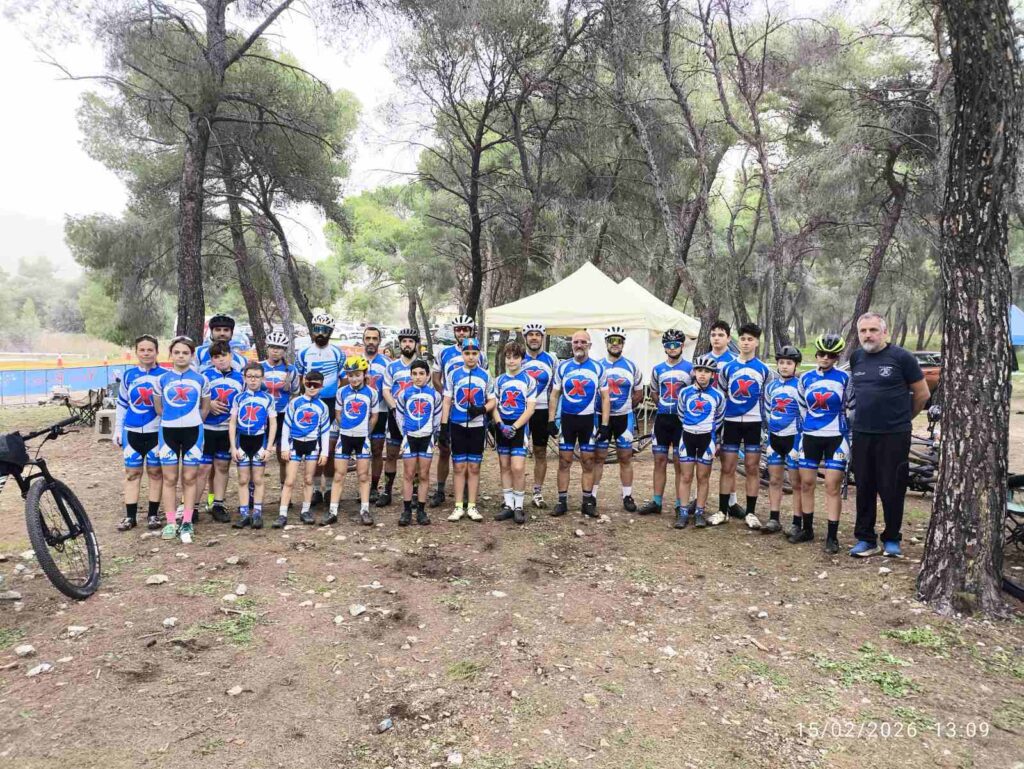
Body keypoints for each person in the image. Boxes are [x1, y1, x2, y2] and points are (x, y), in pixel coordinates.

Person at [848, 312, 929, 558]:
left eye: (873, 330)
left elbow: (922, 394)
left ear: (885, 332)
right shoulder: (856, 358)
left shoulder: (902, 357)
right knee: (864, 486)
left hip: (894, 435)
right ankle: (865, 539)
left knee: (892, 487)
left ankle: (892, 538)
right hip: (862, 433)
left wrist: (904, 419)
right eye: (863, 331)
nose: (868, 335)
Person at [795, 334, 851, 554]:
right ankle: (807, 529)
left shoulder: (845, 378)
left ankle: (832, 536)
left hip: (836, 436)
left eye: (831, 355)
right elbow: (801, 407)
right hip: (810, 436)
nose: (825, 358)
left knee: (831, 486)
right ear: (816, 355)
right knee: (807, 483)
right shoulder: (805, 378)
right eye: (821, 354)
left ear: (837, 357)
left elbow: (851, 407)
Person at [154, 336, 210, 544]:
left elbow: (205, 408)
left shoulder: (201, 379)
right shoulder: (161, 379)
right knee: (169, 479)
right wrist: (173, 420)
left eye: (185, 353)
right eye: (176, 352)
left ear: (192, 355)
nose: (180, 356)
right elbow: (158, 408)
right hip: (168, 431)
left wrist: (192, 420)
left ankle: (187, 521)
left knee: (189, 478)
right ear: (171, 354)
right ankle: (170, 522)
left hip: (193, 432)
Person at [548, 330, 610, 518]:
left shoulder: (598, 368)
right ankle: (561, 502)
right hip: (567, 421)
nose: (579, 345)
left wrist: (605, 424)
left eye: (583, 342)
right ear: (571, 344)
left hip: (588, 421)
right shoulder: (563, 367)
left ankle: (587, 502)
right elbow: (554, 395)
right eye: (576, 342)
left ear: (589, 345)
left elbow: (605, 398)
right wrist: (551, 420)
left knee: (588, 462)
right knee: (564, 461)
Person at [716, 323, 772, 529]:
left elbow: (768, 399)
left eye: (750, 339)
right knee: (727, 467)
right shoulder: (727, 368)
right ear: (737, 341)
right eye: (742, 339)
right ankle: (723, 511)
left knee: (752, 467)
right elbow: (721, 397)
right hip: (730, 422)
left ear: (757, 342)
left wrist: (767, 427)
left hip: (754, 423)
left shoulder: (765, 370)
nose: (746, 343)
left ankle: (750, 513)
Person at [440, 337, 496, 522]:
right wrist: (444, 426)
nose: (471, 357)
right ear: (462, 354)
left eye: (474, 353)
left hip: (477, 426)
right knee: (458, 466)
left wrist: (482, 410)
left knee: (474, 466)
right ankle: (458, 506)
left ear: (479, 354)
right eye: (467, 353)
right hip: (457, 425)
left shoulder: (485, 375)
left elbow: (492, 400)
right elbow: (447, 400)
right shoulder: (453, 374)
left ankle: (472, 505)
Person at [638, 329, 692, 517]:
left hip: (681, 421)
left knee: (679, 463)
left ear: (682, 346)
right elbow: (654, 391)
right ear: (664, 347)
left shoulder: (690, 369)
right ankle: (657, 501)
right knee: (659, 461)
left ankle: (679, 503)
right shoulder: (658, 369)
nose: (672, 348)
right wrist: (661, 404)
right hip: (662, 420)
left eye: (676, 344)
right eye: (668, 345)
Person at [114, 334, 164, 532]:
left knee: (155, 473)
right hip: (132, 432)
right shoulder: (128, 375)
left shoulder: (165, 375)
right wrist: (118, 430)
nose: (146, 353)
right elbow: (122, 404)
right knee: (132, 474)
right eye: (142, 350)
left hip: (156, 433)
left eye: (150, 350)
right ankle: (130, 517)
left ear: (157, 352)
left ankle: (153, 515)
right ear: (136, 352)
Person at [295, 313, 345, 506]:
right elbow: (300, 378)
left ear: (331, 332)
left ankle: (330, 489)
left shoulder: (338, 353)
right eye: (317, 329)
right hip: (311, 405)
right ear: (312, 330)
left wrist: (339, 401)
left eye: (325, 330)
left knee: (330, 449)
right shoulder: (303, 353)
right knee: (314, 450)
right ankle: (316, 490)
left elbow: (343, 379)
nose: (320, 333)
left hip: (331, 404)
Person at [592, 326, 643, 512]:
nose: (615, 344)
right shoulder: (598, 366)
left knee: (625, 457)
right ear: (606, 343)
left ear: (623, 343)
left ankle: (627, 496)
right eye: (612, 340)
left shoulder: (632, 366)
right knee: (599, 457)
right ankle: (592, 496)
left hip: (624, 417)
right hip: (600, 417)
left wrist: (626, 406)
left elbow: (639, 393)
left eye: (619, 341)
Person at [430, 315, 477, 508]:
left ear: (471, 331)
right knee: (444, 450)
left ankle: (465, 489)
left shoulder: (478, 353)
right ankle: (440, 490)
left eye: (465, 329)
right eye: (458, 329)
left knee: (466, 452)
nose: (462, 332)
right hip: (449, 408)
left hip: (470, 410)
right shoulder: (444, 353)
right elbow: (435, 378)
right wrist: (449, 396)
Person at [327, 355, 379, 527]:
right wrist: (345, 428)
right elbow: (338, 413)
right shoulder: (341, 392)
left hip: (363, 438)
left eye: (357, 375)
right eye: (350, 375)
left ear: (364, 374)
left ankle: (365, 510)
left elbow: (374, 416)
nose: (354, 378)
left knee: (363, 476)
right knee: (339, 475)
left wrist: (366, 432)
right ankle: (332, 511)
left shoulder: (372, 393)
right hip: (345, 438)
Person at [674, 355, 726, 529]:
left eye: (707, 371)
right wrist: (692, 426)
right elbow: (681, 414)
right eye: (699, 370)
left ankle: (699, 512)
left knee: (703, 477)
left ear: (713, 375)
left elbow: (719, 418)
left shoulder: (718, 396)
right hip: (688, 436)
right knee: (686, 476)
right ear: (694, 372)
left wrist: (711, 434)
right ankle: (683, 512)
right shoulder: (685, 392)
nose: (703, 374)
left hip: (706, 438)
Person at [276, 371, 331, 528]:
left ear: (321, 386)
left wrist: (324, 452)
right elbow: (286, 425)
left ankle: (305, 511)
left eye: (316, 385)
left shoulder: (323, 406)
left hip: (313, 445)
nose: (312, 388)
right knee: (289, 480)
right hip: (295, 444)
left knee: (309, 480)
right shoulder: (295, 403)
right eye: (309, 384)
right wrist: (284, 447)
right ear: (304, 383)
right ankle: (282, 513)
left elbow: (325, 431)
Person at [491, 341, 537, 524]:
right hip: (502, 425)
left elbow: (531, 408)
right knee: (504, 466)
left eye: (515, 357)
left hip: (519, 426)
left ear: (522, 359)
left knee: (517, 467)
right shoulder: (499, 380)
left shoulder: (529, 380)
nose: (511, 361)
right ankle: (508, 504)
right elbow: (494, 406)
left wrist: (515, 427)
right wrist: (501, 424)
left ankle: (519, 506)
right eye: (508, 357)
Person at [197, 342, 244, 524]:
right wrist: (208, 404)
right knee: (203, 468)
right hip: (207, 429)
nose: (221, 359)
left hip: (227, 430)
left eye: (224, 355)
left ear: (231, 355)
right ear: (211, 360)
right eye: (216, 357)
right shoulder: (204, 376)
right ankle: (193, 507)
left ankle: (218, 504)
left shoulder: (241, 378)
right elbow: (195, 398)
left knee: (222, 467)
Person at [228, 363, 277, 529]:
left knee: (257, 479)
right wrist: (233, 447)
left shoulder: (268, 398)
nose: (253, 380)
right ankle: (244, 514)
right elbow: (232, 423)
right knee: (243, 479)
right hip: (242, 441)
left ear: (262, 378)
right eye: (249, 376)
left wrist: (269, 448)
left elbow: (273, 424)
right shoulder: (238, 398)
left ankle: (257, 513)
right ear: (244, 378)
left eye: (256, 377)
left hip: (259, 441)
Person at [395, 359, 442, 526]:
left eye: (422, 373)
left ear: (428, 375)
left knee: (423, 475)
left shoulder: (435, 395)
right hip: (410, 438)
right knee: (408, 474)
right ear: (410, 375)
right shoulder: (404, 394)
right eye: (414, 374)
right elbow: (399, 416)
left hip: (427, 438)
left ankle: (421, 511)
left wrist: (434, 436)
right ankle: (407, 510)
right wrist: (405, 434)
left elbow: (437, 418)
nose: (418, 377)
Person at [763, 346, 804, 536]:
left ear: (796, 365)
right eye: (781, 363)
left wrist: (800, 441)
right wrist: (768, 436)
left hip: (794, 437)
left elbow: (804, 413)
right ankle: (774, 518)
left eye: (789, 363)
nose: (784, 366)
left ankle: (797, 521)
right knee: (774, 480)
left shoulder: (800, 386)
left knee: (796, 483)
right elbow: (767, 411)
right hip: (774, 438)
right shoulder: (771, 387)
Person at [520, 322, 559, 509]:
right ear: (525, 337)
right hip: (521, 411)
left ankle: (537, 492)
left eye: (538, 334)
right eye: (530, 334)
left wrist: (552, 418)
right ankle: (515, 493)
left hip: (542, 410)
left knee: (540, 452)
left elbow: (555, 391)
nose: (534, 337)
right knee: (518, 453)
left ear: (543, 338)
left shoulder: (552, 359)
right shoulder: (518, 357)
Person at [364, 325, 401, 507]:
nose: (371, 342)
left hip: (381, 410)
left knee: (377, 450)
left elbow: (391, 387)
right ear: (363, 340)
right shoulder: (355, 359)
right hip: (360, 412)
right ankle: (363, 486)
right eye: (368, 338)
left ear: (379, 341)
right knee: (361, 451)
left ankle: (373, 487)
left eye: (374, 338)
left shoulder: (387, 363)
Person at [260, 330, 298, 486]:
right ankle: (254, 490)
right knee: (260, 454)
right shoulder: (259, 367)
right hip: (263, 416)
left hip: (282, 415)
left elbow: (295, 393)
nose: (275, 351)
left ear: (284, 350)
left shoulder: (291, 370)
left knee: (283, 455)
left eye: (280, 348)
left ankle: (284, 490)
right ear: (267, 348)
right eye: (272, 347)